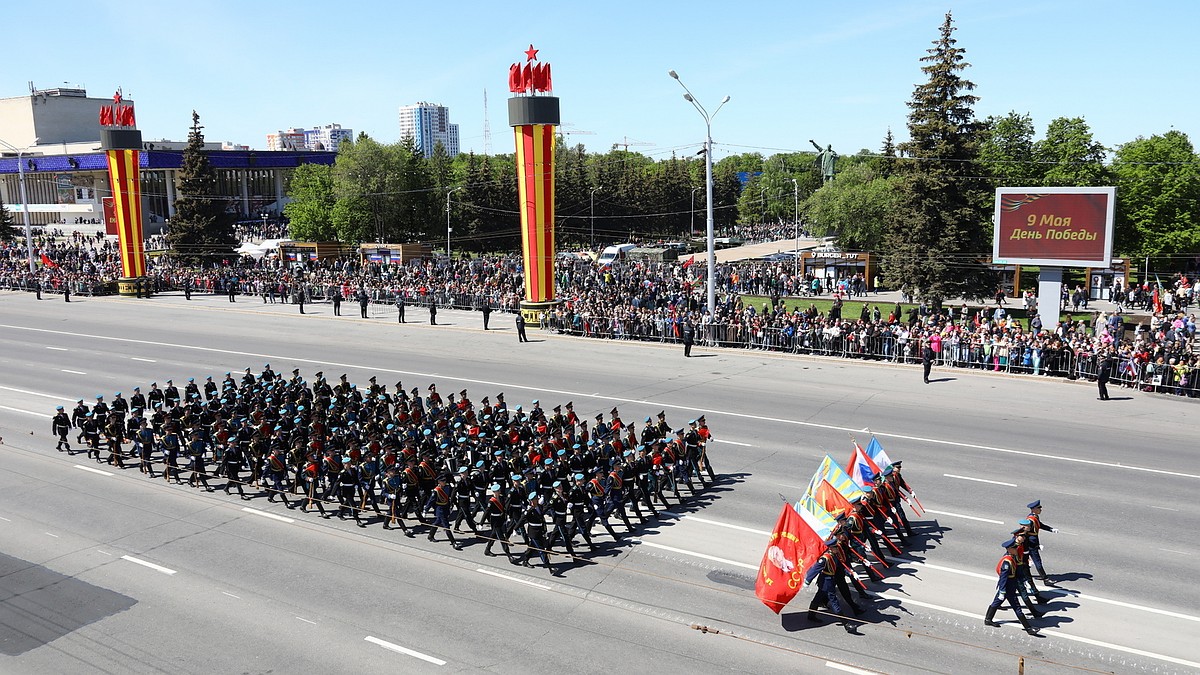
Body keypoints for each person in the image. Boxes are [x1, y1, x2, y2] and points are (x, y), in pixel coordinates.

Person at [984, 538, 1041, 636]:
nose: (1016, 549)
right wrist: (1002, 590)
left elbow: (1018, 571)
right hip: (1007, 587)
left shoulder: (1012, 557)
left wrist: (1024, 581)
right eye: (1014, 548)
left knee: (997, 602)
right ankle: (1028, 629)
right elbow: (1003, 577)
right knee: (1017, 608)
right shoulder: (1007, 561)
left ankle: (988, 619)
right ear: (1009, 549)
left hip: (1011, 584)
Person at [804, 537, 858, 633]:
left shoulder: (834, 555)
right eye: (835, 548)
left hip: (830, 580)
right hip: (826, 581)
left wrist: (851, 573)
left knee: (818, 597)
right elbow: (815, 569)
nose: (837, 549)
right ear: (831, 548)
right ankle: (846, 625)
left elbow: (840, 567)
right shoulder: (825, 558)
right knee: (834, 602)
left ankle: (811, 616)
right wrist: (808, 581)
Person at [1024, 500, 1056, 581]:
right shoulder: (1030, 520)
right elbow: (1026, 534)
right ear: (1034, 509)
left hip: (1033, 542)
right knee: (1037, 562)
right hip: (1031, 544)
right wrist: (1033, 546)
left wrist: (1051, 529)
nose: (1040, 510)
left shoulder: (1035, 517)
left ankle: (1027, 576)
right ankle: (1046, 579)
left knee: (1030, 562)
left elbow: (1040, 525)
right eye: (1039, 508)